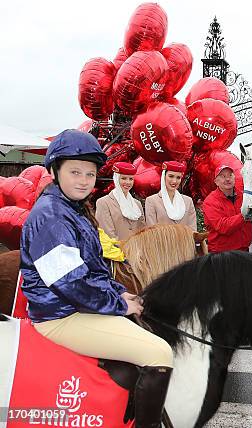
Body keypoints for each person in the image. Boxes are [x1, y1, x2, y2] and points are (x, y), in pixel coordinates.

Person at [20, 129, 173, 428]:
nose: (83, 180)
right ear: (55, 171)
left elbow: (92, 268)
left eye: (89, 175)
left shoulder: (73, 209)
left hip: (76, 308)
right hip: (60, 316)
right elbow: (70, 282)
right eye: (75, 172)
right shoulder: (50, 215)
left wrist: (120, 293)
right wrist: (119, 304)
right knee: (160, 353)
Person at [203, 165, 252, 253]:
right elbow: (222, 226)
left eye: (230, 175)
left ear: (235, 178)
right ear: (216, 182)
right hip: (220, 254)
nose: (227, 179)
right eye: (223, 176)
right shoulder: (210, 201)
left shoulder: (245, 197)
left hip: (244, 252)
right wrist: (244, 215)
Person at [95, 162, 145, 241]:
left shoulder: (137, 204)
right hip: (116, 250)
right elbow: (107, 233)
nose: (128, 182)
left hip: (137, 250)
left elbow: (143, 230)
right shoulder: (103, 202)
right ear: (116, 179)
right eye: (123, 178)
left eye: (131, 179)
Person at [145, 161, 197, 231]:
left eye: (178, 177)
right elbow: (151, 231)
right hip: (161, 241)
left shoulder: (188, 201)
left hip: (184, 241)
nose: (174, 181)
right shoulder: (151, 201)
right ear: (163, 176)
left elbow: (192, 229)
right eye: (171, 176)